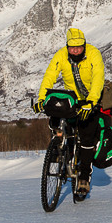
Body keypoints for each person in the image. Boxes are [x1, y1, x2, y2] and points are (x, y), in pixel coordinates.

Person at [33, 27, 105, 196]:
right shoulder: (61, 55)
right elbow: (50, 75)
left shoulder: (94, 54)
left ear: (84, 45)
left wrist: (92, 101)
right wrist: (42, 98)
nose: (75, 50)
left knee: (87, 136)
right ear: (67, 46)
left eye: (79, 47)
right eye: (72, 47)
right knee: (55, 117)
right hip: (71, 99)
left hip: (90, 99)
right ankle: (59, 148)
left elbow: (98, 78)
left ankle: (84, 178)